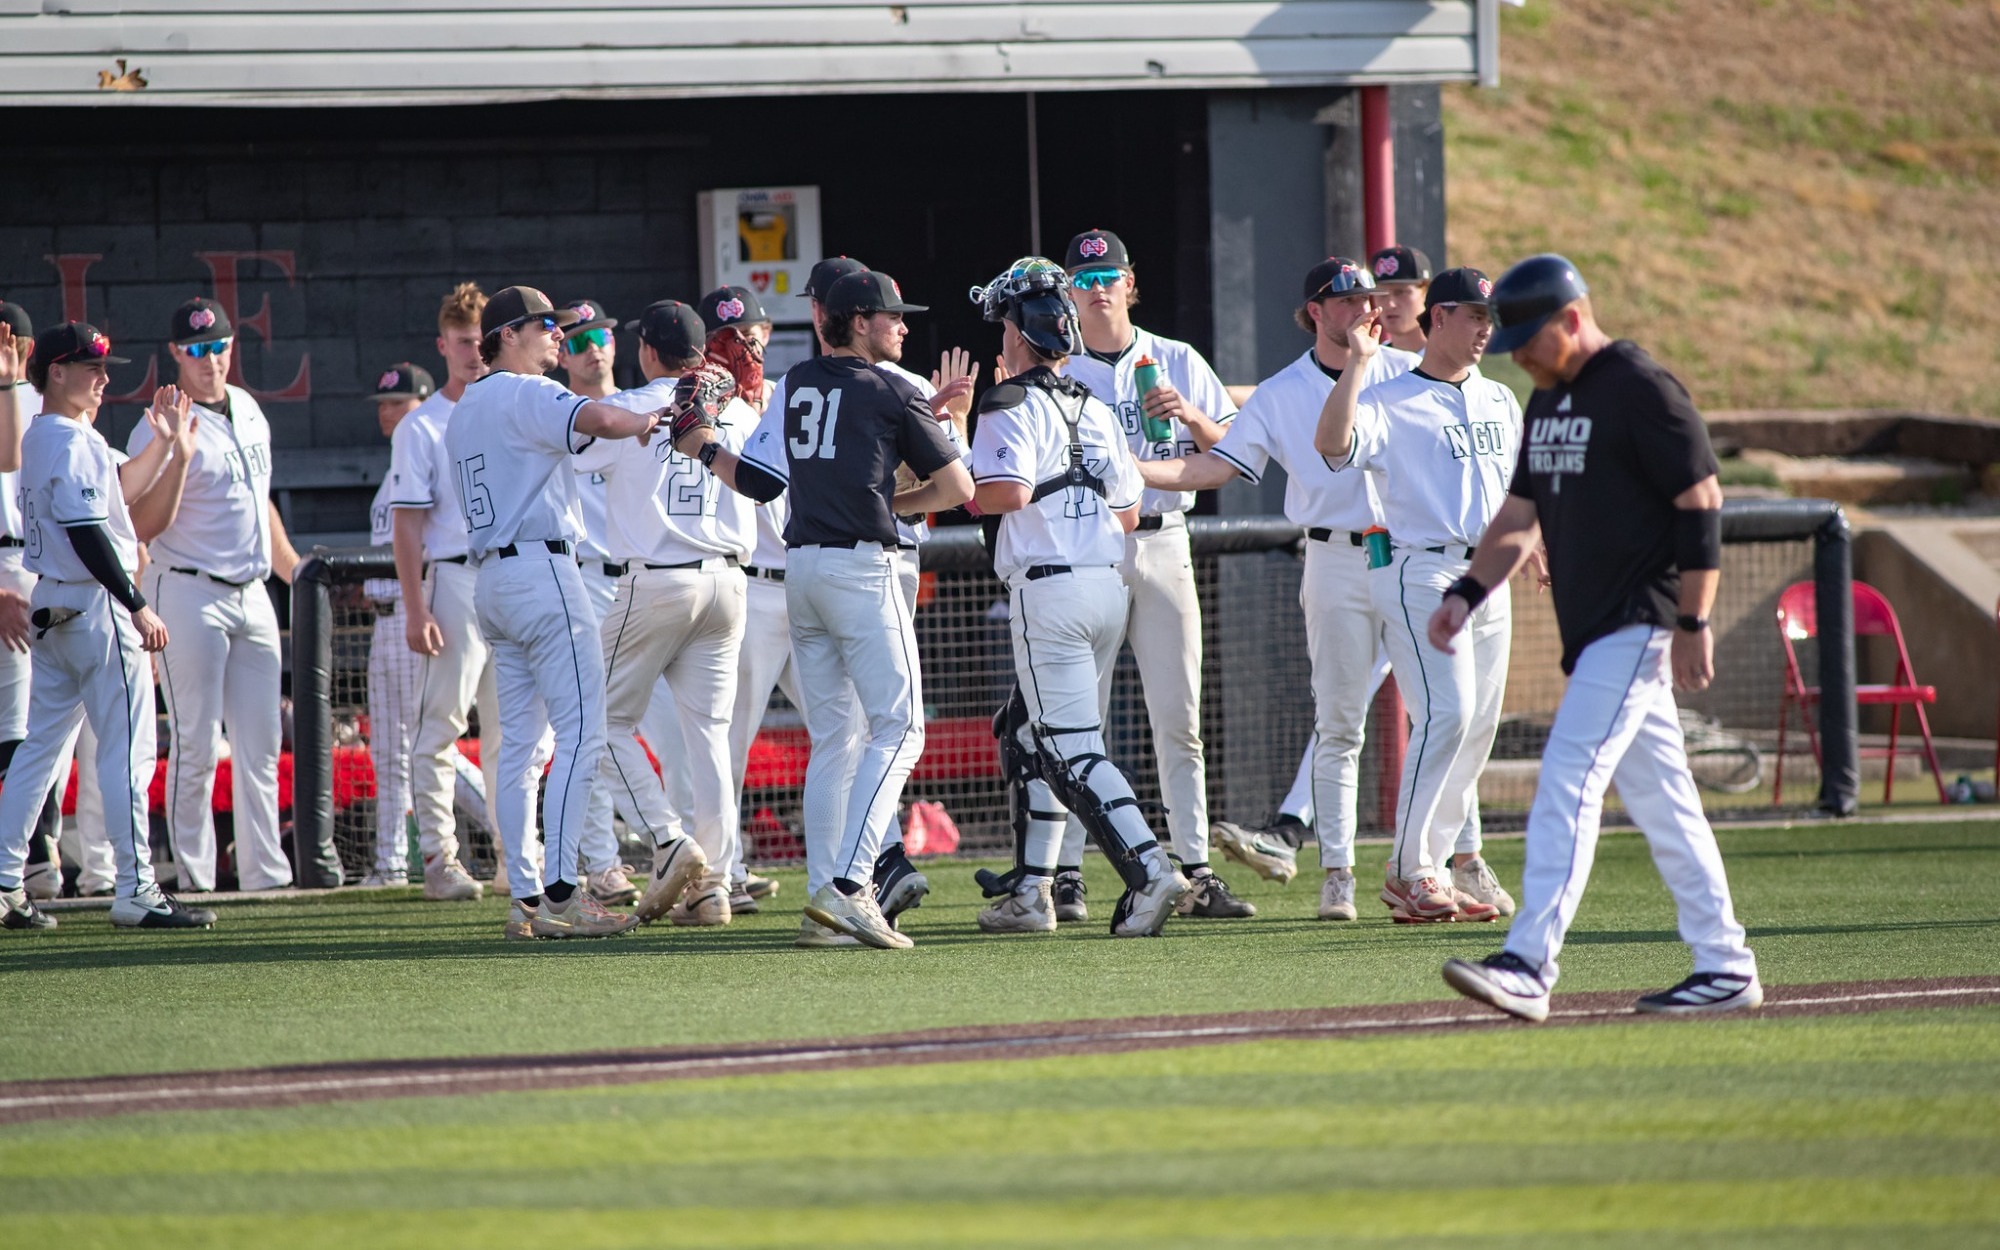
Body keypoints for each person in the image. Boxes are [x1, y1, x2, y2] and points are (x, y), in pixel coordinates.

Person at [1438, 254, 1762, 1021]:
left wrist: (1693, 620)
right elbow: (1520, 519)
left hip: (1640, 623)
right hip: (1597, 632)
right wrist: (1466, 592)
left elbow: (1701, 498)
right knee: (1666, 806)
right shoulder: (1549, 402)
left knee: (1568, 780)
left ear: (1573, 318)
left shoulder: (1639, 388)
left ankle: (1528, 963)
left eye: (1529, 338)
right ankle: (1725, 963)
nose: (1517, 354)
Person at [684, 268, 971, 950]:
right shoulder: (898, 388)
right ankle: (849, 888)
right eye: (892, 316)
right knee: (900, 730)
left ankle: (823, 899)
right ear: (860, 320)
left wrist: (702, 446)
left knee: (837, 739)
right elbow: (958, 487)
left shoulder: (795, 383)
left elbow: (755, 481)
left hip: (802, 568)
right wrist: (893, 502)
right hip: (860, 571)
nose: (903, 325)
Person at [1130, 257, 1416, 923]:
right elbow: (1217, 464)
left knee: (1443, 717)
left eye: (1367, 298)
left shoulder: (1406, 373)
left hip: (1409, 556)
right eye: (1344, 300)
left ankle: (1442, 864)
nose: (1361, 309)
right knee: (1339, 722)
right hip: (1335, 557)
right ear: (1314, 311)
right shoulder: (1284, 391)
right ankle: (1338, 873)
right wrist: (1135, 468)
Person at [446, 284, 688, 941]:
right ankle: (560, 894)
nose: (556, 334)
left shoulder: (464, 407)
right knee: (583, 733)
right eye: (542, 325)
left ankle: (525, 895)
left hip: (492, 580)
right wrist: (650, 419)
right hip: (542, 572)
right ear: (506, 336)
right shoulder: (523, 390)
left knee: (521, 751)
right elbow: (604, 421)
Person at [966, 257, 1190, 937]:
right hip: (1105, 585)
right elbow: (1126, 511)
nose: (999, 336)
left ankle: (1151, 870)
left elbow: (1005, 494)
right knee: (1033, 735)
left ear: (1020, 332)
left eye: (1003, 324)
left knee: (1070, 748)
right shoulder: (1091, 404)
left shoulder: (1008, 402)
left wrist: (952, 477)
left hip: (1052, 593)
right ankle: (1032, 892)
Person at [1057, 227, 1276, 923]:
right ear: (1068, 291)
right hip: (1088, 547)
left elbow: (1240, 456)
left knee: (1178, 718)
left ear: (1130, 284)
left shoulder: (1175, 358)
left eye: (1107, 278)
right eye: (1083, 280)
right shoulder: (1057, 365)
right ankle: (1065, 874)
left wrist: (1188, 413)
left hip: (1162, 538)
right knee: (1074, 721)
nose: (1096, 291)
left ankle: (1197, 870)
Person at [1314, 267, 1520, 923]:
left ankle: (1431, 868)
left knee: (1478, 728)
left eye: (1490, 317)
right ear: (1438, 318)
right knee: (1448, 715)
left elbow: (1519, 491)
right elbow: (1332, 446)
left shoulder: (1500, 400)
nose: (1485, 328)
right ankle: (1410, 870)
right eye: (1472, 315)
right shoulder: (1389, 397)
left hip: (1490, 576)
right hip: (1420, 569)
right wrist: (1356, 365)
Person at [0, 322, 211, 931]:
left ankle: (4, 881)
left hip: (54, 606)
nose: (102, 377)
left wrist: (166, 444)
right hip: (95, 605)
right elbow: (91, 531)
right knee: (125, 751)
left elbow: (114, 497)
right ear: (55, 372)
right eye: (89, 367)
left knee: (39, 752)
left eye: (103, 367)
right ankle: (136, 888)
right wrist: (136, 600)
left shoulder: (45, 437)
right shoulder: (68, 437)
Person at [583, 299, 755, 927]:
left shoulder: (631, 405)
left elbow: (574, 455)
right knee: (709, 737)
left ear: (649, 349)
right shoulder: (737, 409)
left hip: (656, 582)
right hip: (728, 584)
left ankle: (668, 840)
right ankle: (712, 886)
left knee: (597, 721)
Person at [390, 283, 550, 921]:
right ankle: (440, 858)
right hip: (452, 578)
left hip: (505, 576)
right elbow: (408, 523)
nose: (469, 351)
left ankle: (519, 858)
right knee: (441, 725)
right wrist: (414, 607)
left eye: (476, 340)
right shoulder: (422, 422)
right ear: (443, 344)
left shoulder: (508, 402)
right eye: (459, 341)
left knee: (514, 731)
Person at [132, 297, 299, 894]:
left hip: (253, 589)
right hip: (188, 590)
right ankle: (195, 878)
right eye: (198, 349)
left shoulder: (250, 409)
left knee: (261, 744)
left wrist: (295, 572)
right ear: (176, 353)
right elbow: (139, 525)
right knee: (197, 742)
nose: (210, 360)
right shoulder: (158, 420)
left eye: (220, 346)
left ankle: (266, 876)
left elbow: (262, 505)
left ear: (233, 346)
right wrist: (175, 454)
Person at [557, 298, 652, 908]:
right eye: (581, 337)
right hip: (585, 575)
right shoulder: (553, 413)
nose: (595, 346)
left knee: (675, 728)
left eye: (603, 334)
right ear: (560, 350)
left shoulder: (646, 404)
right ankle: (604, 862)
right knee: (589, 723)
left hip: (651, 579)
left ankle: (715, 865)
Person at [0, 303, 73, 903]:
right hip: (5, 565)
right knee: (18, 725)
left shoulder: (47, 410)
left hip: (39, 563)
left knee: (39, 726)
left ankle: (36, 856)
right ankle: (20, 864)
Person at [360, 362, 436, 886]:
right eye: (384, 403)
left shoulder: (430, 459)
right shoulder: (392, 471)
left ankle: (503, 832)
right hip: (383, 623)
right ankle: (389, 863)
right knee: (389, 751)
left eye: (399, 402)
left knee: (428, 748)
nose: (387, 412)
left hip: (415, 621)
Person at [1370, 245, 1433, 354]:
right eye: (1381, 293)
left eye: (1400, 292)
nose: (1390, 304)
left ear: (1426, 293)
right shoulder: (1369, 361)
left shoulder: (1452, 362)